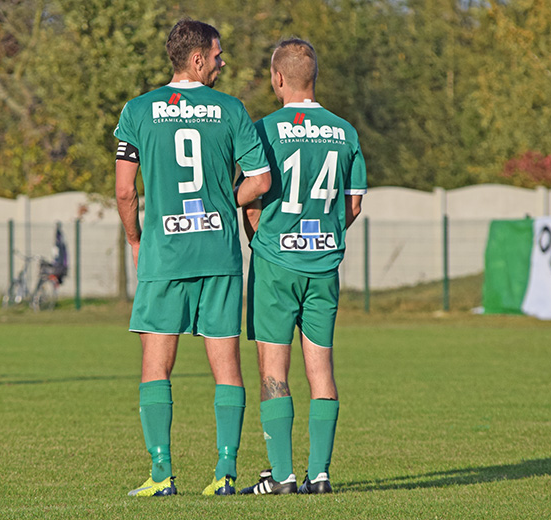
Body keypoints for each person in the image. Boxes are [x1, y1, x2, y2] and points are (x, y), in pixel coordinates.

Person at [114, 18, 271, 497]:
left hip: (164, 255)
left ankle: (161, 474)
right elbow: (261, 181)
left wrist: (136, 240)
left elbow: (124, 192)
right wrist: (227, 201)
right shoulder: (231, 110)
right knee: (226, 368)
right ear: (198, 59)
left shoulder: (138, 110)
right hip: (219, 255)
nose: (223, 63)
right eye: (218, 56)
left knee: (156, 368)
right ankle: (225, 474)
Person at [239, 38, 367, 495]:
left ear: (277, 79)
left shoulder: (264, 130)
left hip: (275, 264)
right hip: (323, 265)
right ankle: (321, 474)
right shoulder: (345, 132)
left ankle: (282, 476)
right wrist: (326, 237)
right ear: (315, 77)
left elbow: (252, 199)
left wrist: (265, 239)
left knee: (274, 368)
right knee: (322, 368)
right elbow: (352, 205)